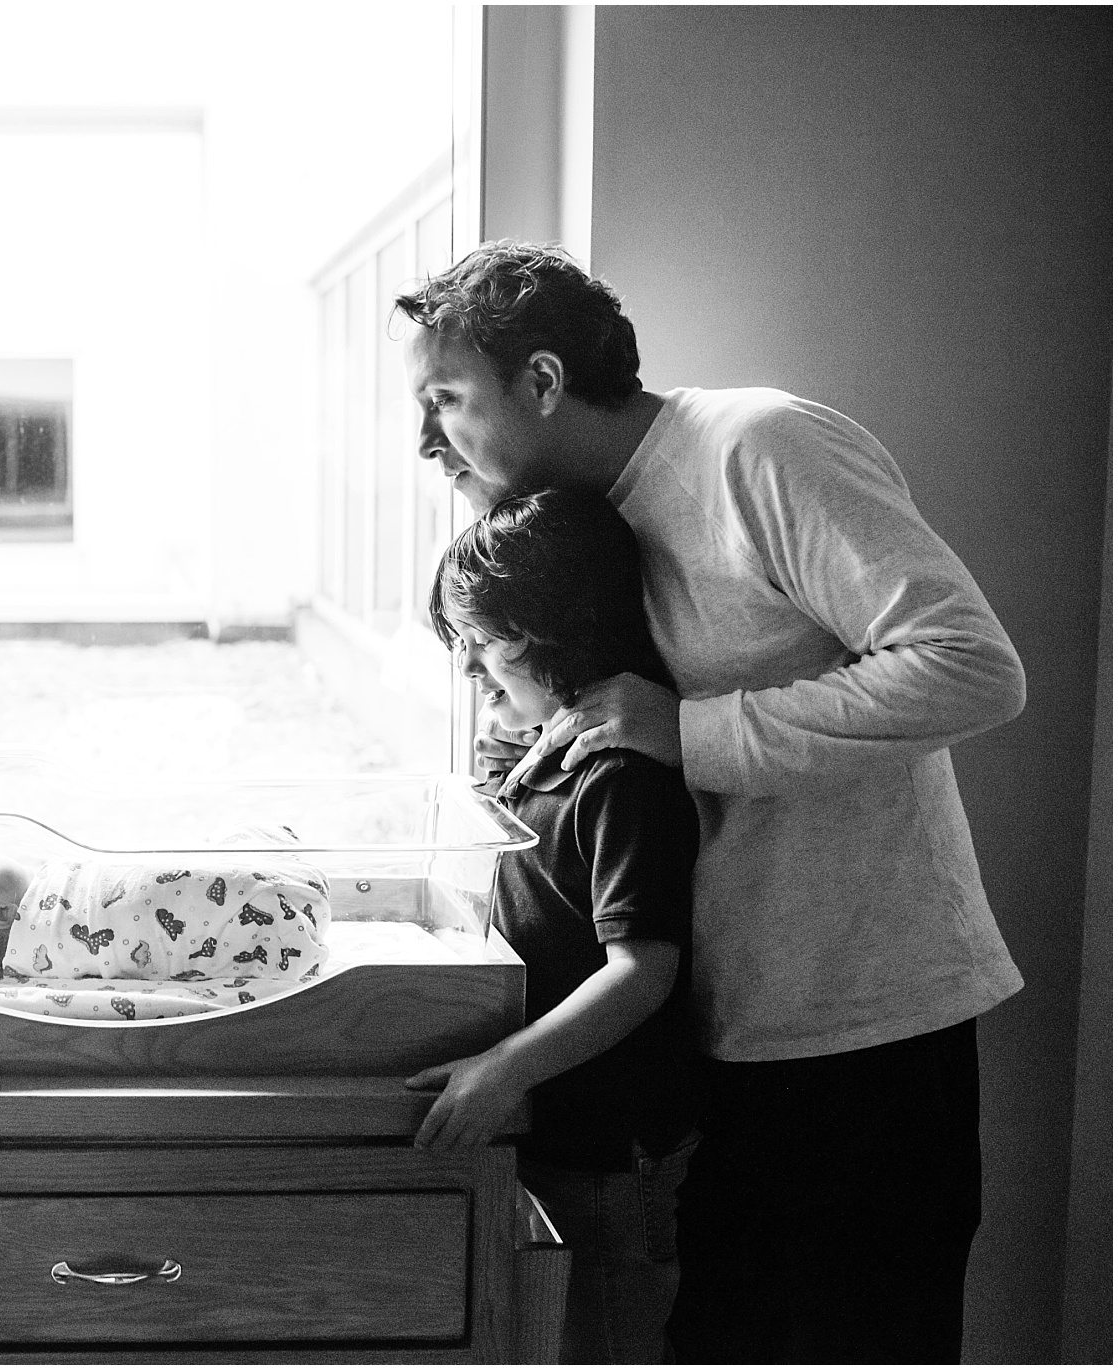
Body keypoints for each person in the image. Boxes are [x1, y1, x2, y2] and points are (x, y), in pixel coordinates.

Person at [395, 240, 1024, 1363]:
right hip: (709, 1049)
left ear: (542, 380)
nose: (425, 441)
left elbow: (970, 668)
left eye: (444, 399)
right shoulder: (581, 527)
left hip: (862, 1029)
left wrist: (690, 733)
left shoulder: (759, 447)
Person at [412, 487, 702, 1364]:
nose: (468, 667)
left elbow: (641, 971)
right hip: (557, 1129)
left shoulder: (621, 775)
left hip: (611, 1151)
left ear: (558, 631)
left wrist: (504, 1068)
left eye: (484, 641)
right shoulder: (547, 758)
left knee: (605, 1340)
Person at [0, 836, 331, 983]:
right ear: (0, 914)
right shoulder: (50, 916)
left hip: (277, 904)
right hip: (273, 907)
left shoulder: (39, 959)